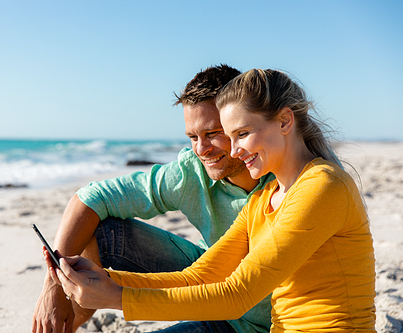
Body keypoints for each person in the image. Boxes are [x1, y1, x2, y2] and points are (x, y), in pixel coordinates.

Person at [46, 69, 376, 332]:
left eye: (242, 134)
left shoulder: (323, 186)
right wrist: (106, 281)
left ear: (285, 121)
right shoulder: (263, 198)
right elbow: (201, 276)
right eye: (230, 137)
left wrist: (117, 298)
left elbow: (239, 294)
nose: (233, 151)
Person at [32, 65, 275, 333]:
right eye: (193, 137)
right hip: (208, 290)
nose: (201, 149)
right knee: (103, 230)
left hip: (261, 320)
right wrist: (54, 287)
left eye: (212, 133)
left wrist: (116, 295)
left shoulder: (286, 177)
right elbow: (91, 198)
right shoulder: (191, 171)